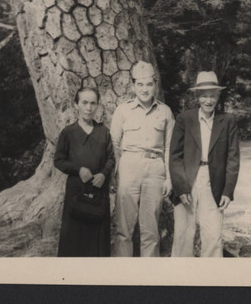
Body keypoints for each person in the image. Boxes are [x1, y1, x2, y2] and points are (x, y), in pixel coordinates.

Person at [169, 71, 240, 257]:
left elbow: (233, 158)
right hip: (187, 180)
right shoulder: (184, 119)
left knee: (213, 235)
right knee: (183, 233)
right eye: (204, 95)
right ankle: (179, 279)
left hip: (214, 181)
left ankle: (211, 279)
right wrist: (180, 187)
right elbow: (175, 156)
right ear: (197, 96)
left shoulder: (228, 121)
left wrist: (228, 191)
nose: (208, 100)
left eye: (212, 95)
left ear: (218, 96)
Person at [110, 61, 175, 257]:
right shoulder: (123, 110)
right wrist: (114, 175)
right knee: (124, 227)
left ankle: (149, 276)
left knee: (151, 228)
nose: (144, 89)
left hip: (155, 169)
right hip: (128, 167)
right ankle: (123, 275)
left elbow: (169, 148)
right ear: (133, 86)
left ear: (155, 85)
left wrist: (169, 178)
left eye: (148, 84)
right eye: (140, 84)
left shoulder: (165, 111)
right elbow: (113, 144)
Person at [54, 87, 115, 257]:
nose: (89, 107)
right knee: (73, 237)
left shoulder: (104, 132)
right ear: (76, 105)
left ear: (98, 106)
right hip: (76, 191)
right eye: (84, 103)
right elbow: (58, 160)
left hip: (98, 191)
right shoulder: (68, 133)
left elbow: (111, 158)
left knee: (97, 239)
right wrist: (77, 169)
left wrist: (103, 174)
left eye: (93, 103)